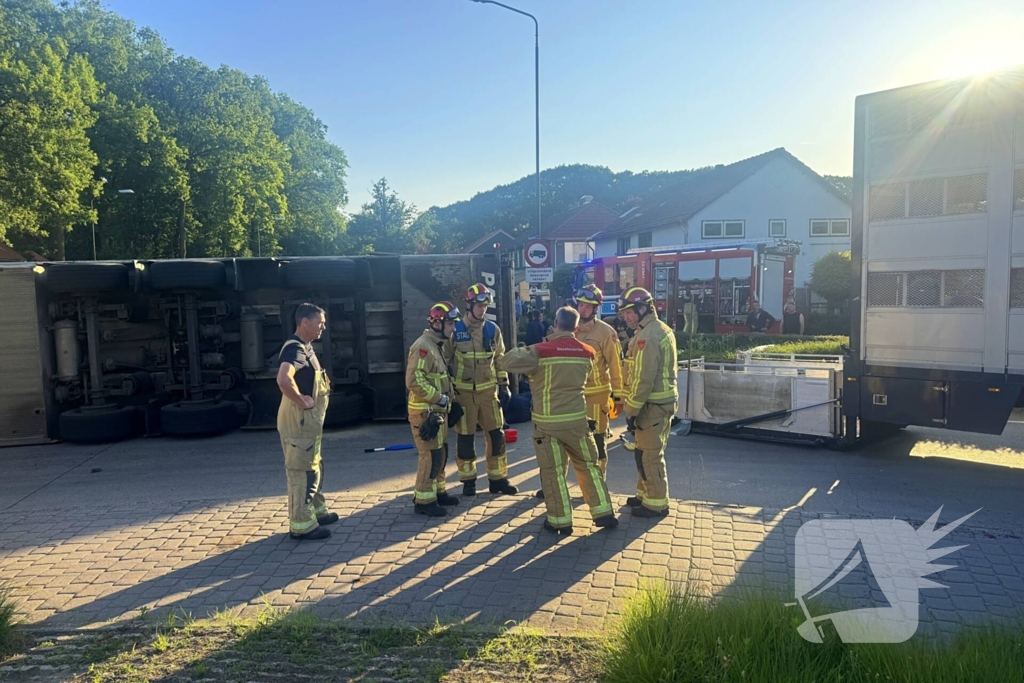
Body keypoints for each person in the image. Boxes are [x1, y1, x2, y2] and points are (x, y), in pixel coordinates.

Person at [499, 306, 618, 535]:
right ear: (576, 327)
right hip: (577, 422)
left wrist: (530, 349)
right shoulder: (587, 352)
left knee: (553, 471)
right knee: (588, 466)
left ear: (555, 324)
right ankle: (603, 512)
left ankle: (560, 521)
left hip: (548, 425)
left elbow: (506, 361)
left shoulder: (540, 351)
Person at [616, 287, 678, 519]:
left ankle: (656, 504)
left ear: (643, 309)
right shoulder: (655, 330)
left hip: (652, 406)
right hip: (658, 403)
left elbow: (643, 379)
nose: (625, 317)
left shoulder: (648, 336)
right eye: (623, 313)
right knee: (644, 453)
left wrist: (631, 410)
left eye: (629, 312)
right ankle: (644, 494)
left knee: (650, 456)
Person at [276, 303, 336, 541]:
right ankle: (302, 526)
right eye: (320, 322)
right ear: (304, 322)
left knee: (314, 466)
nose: (323, 327)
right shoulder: (295, 350)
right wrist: (301, 400)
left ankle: (317, 512)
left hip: (309, 426)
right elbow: (283, 379)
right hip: (299, 425)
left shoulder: (306, 347)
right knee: (302, 472)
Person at [451, 283, 518, 497]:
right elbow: (445, 361)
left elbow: (499, 359)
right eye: (479, 306)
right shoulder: (455, 330)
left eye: (485, 306)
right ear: (469, 305)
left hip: (489, 394)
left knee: (497, 436)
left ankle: (498, 480)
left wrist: (504, 385)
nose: (483, 310)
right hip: (463, 395)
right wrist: (449, 395)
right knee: (465, 439)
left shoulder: (492, 330)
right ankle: (468, 481)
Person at [406, 302, 462, 517]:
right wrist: (439, 398)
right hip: (426, 412)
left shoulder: (436, 345)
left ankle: (438, 492)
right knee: (430, 456)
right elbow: (414, 380)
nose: (453, 328)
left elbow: (440, 377)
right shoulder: (423, 348)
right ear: (437, 324)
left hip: (437, 412)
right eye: (450, 324)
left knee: (440, 453)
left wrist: (450, 402)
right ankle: (424, 501)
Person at [571, 284, 622, 479]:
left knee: (597, 440)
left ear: (595, 309)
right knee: (569, 440)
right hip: (571, 396)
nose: (582, 309)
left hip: (597, 397)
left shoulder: (606, 332)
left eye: (587, 306)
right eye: (580, 305)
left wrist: (618, 396)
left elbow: (616, 366)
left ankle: (599, 481)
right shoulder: (568, 329)